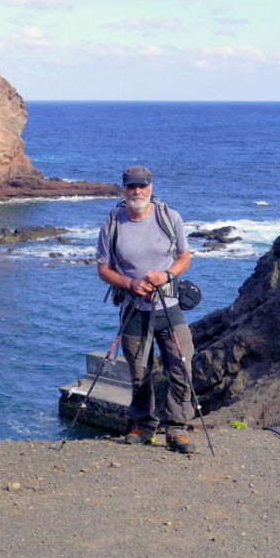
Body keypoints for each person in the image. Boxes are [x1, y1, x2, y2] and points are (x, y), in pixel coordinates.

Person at [95, 165, 196, 454]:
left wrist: (167, 275)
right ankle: (144, 426)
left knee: (181, 366)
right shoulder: (113, 222)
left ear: (151, 187)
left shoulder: (169, 217)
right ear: (123, 189)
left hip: (170, 307)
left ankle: (177, 430)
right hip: (133, 309)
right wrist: (129, 283)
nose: (136, 191)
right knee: (140, 372)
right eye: (131, 187)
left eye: (142, 186)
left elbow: (184, 256)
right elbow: (103, 269)